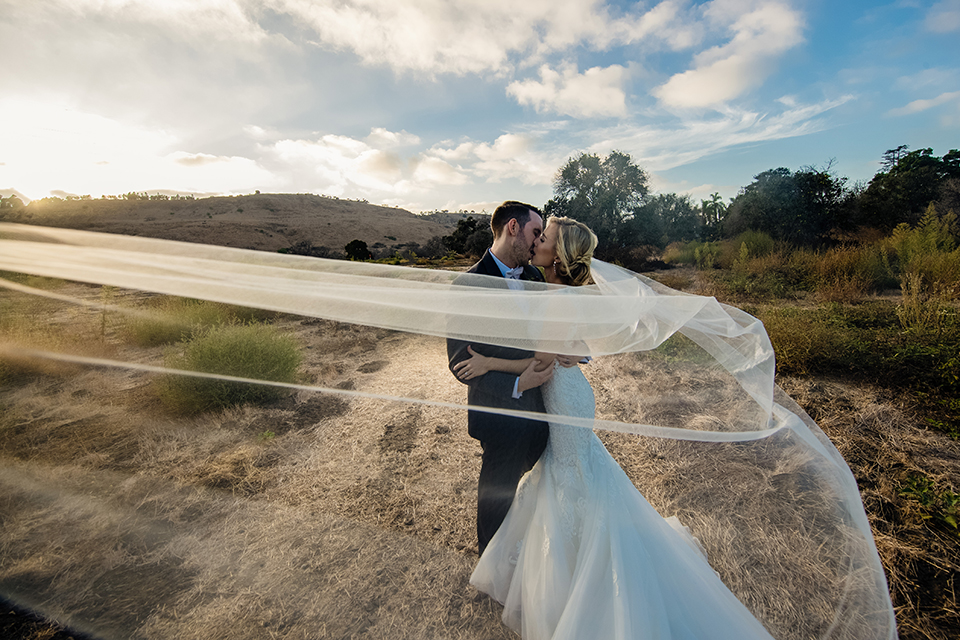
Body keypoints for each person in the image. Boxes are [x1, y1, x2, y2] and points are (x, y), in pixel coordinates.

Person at [456, 216, 777, 640]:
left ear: (559, 252)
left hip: (564, 396)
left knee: (570, 476)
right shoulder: (548, 286)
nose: (537, 241)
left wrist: (490, 363)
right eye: (537, 234)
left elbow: (543, 361)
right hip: (564, 392)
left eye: (545, 237)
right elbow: (570, 346)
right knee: (570, 473)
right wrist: (577, 352)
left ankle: (585, 577)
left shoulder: (557, 296)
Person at [446, 201, 556, 556]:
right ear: (513, 228)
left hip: (545, 411)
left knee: (537, 495)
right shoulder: (468, 284)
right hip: (499, 416)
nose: (538, 242)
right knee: (498, 496)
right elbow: (461, 362)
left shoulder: (537, 277)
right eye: (534, 233)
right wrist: (516, 384)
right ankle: (490, 568)